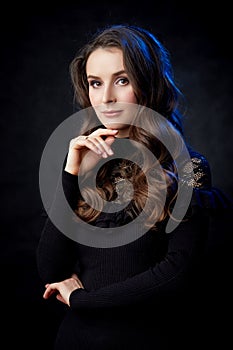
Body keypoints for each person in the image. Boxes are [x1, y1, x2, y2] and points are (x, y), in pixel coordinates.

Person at [37, 24, 232, 349]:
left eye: (122, 80)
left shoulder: (189, 166)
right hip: (77, 341)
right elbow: (51, 269)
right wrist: (71, 170)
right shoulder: (84, 163)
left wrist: (83, 300)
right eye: (96, 84)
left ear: (147, 83)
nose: (107, 97)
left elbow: (175, 275)